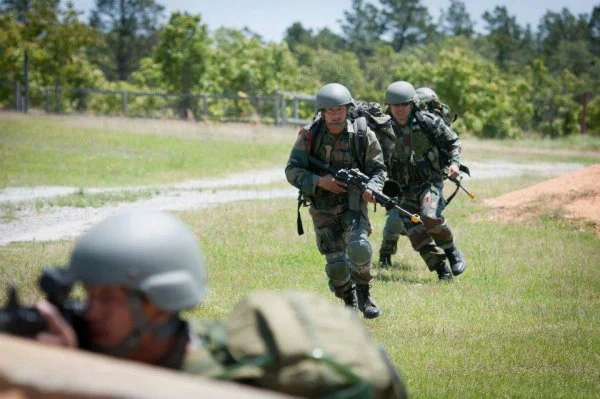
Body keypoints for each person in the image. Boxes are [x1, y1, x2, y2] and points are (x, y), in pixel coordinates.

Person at [25, 210, 407, 398]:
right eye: (88, 296)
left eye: (107, 298)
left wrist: (65, 379)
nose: (91, 311)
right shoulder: (170, 345)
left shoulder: (214, 387)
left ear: (160, 304)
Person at [285, 83, 387, 319]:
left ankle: (365, 295)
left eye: (339, 109)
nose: (335, 114)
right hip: (322, 207)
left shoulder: (363, 135)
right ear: (322, 111)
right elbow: (292, 170)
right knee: (336, 266)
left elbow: (379, 170)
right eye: (329, 110)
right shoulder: (310, 135)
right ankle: (347, 300)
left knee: (359, 246)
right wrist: (320, 181)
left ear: (347, 109)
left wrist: (372, 187)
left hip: (353, 202)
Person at [378, 81, 467, 280]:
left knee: (429, 216)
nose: (400, 109)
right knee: (416, 234)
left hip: (429, 182)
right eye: (395, 105)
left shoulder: (426, 121)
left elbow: (453, 142)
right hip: (401, 189)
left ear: (412, 104)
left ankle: (452, 252)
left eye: (404, 104)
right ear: (389, 106)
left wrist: (454, 164)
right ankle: (440, 269)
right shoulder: (382, 129)